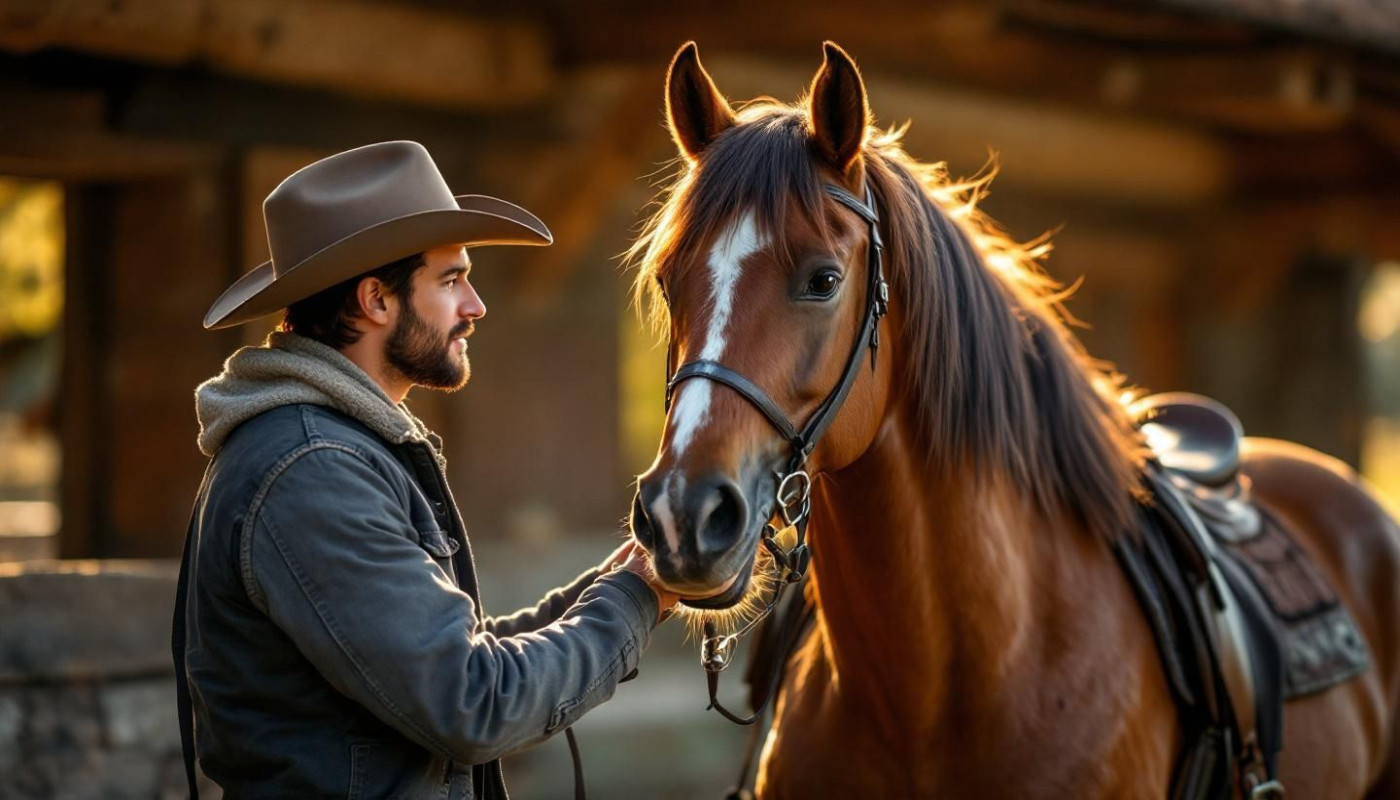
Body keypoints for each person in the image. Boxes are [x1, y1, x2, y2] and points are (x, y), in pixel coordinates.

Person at [174, 140, 679, 799]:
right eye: (450, 281)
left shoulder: (330, 447)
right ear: (376, 301)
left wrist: (628, 580)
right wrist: (635, 601)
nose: (475, 305)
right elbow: (472, 701)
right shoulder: (313, 470)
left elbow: (457, 661)